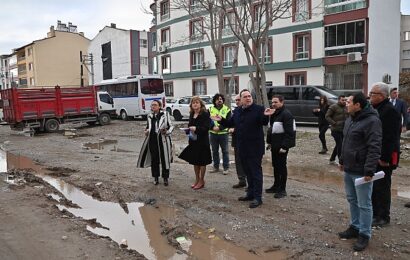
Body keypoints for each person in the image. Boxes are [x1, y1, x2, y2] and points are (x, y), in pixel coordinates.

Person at [212, 89, 272, 208]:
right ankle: (250, 193)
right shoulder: (238, 111)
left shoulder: (259, 109)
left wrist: (266, 116)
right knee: (247, 172)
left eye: (249, 96)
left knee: (255, 173)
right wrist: (221, 120)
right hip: (242, 147)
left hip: (255, 148)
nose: (248, 98)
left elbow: (264, 122)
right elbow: (230, 123)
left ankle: (258, 197)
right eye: (245, 97)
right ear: (241, 99)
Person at [338, 92, 382, 252]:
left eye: (349, 101)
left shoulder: (372, 121)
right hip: (349, 168)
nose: (346, 104)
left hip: (362, 171)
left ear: (358, 105)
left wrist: (370, 170)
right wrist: (342, 160)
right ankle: (355, 227)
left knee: (364, 204)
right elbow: (346, 142)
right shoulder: (350, 119)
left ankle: (364, 233)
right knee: (352, 199)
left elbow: (374, 147)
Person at [369, 83, 401, 227]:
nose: (370, 96)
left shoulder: (390, 111)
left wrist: (384, 158)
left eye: (372, 93)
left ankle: (383, 216)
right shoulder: (375, 109)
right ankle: (375, 213)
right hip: (375, 154)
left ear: (381, 96)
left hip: (384, 157)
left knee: (382, 186)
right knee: (374, 186)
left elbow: (390, 137)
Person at [265, 95, 296, 199]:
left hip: (282, 147)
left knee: (282, 167)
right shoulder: (274, 114)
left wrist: (285, 146)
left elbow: (290, 133)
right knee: (275, 166)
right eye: (272, 102)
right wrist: (269, 142)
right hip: (274, 145)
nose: (273, 104)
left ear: (282, 102)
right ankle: (276, 185)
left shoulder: (286, 114)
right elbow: (271, 130)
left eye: (275, 102)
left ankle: (282, 189)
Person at [137, 100, 174, 186]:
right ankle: (155, 177)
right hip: (152, 140)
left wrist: (167, 131)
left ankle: (165, 178)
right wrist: (146, 131)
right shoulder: (149, 116)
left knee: (165, 159)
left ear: (159, 106)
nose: (153, 106)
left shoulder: (165, 114)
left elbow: (171, 126)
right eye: (152, 105)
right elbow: (147, 127)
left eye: (155, 105)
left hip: (163, 140)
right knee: (154, 159)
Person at [179, 96, 212, 190]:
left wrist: (196, 129)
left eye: (197, 102)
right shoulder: (191, 113)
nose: (195, 104)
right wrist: (188, 129)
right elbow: (190, 125)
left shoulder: (205, 114)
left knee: (202, 161)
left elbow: (206, 128)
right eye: (193, 103)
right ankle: (197, 179)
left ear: (201, 104)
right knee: (195, 161)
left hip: (202, 141)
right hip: (193, 141)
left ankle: (202, 180)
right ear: (191, 105)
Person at [209, 94, 231, 174]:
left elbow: (228, 121)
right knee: (214, 151)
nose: (219, 100)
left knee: (225, 151)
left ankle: (226, 168)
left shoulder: (227, 109)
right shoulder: (210, 109)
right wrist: (212, 128)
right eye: (217, 99)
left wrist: (220, 128)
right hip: (213, 133)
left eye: (221, 99)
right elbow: (207, 121)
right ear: (214, 101)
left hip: (223, 133)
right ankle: (216, 167)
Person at [229, 95, 246, 189]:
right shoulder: (235, 111)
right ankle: (241, 180)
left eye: (238, 100)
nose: (237, 102)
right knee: (238, 160)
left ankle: (251, 182)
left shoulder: (250, 111)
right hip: (236, 140)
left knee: (247, 161)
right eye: (236, 100)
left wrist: (235, 129)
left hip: (246, 141)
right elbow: (231, 122)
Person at [325, 95, 348, 165]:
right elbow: (327, 116)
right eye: (342, 100)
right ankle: (340, 162)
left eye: (345, 100)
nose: (344, 101)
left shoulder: (346, 107)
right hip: (335, 130)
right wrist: (334, 123)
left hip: (343, 130)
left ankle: (332, 159)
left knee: (338, 145)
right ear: (339, 100)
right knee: (340, 145)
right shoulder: (333, 107)